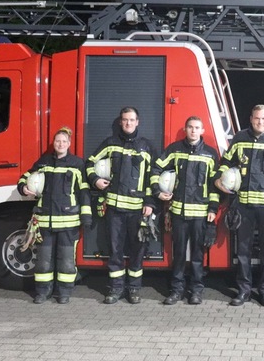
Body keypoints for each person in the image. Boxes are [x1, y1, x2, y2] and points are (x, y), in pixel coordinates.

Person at [215, 104, 264, 307]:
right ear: (251, 118)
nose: (260, 122)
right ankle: (243, 291)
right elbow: (225, 162)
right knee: (243, 251)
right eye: (257, 118)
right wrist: (219, 179)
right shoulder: (239, 139)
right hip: (244, 206)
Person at [87, 107, 157, 305]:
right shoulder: (110, 144)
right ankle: (116, 289)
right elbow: (90, 163)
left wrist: (150, 203)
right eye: (125, 120)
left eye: (132, 120)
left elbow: (154, 176)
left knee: (137, 251)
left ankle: (134, 289)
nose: (128, 123)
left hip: (137, 211)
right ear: (120, 122)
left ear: (138, 122)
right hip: (115, 211)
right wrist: (95, 181)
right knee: (115, 251)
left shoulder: (146, 147)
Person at [17, 127, 91, 304]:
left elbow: (84, 191)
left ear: (69, 144)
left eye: (64, 141)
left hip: (68, 222)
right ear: (54, 143)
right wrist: (23, 187)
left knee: (66, 261)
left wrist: (86, 216)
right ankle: (43, 292)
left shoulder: (77, 164)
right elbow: (25, 176)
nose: (60, 144)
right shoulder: (43, 163)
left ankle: (64, 292)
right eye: (58, 141)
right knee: (43, 261)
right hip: (44, 222)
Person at [152, 116, 220, 306]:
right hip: (178, 213)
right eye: (190, 127)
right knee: (179, 254)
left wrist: (213, 209)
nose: (193, 130)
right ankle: (176, 291)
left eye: (197, 127)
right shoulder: (174, 150)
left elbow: (214, 186)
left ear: (203, 130)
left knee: (197, 256)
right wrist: (158, 191)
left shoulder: (210, 154)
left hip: (200, 214)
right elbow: (156, 168)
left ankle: (196, 292)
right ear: (185, 128)